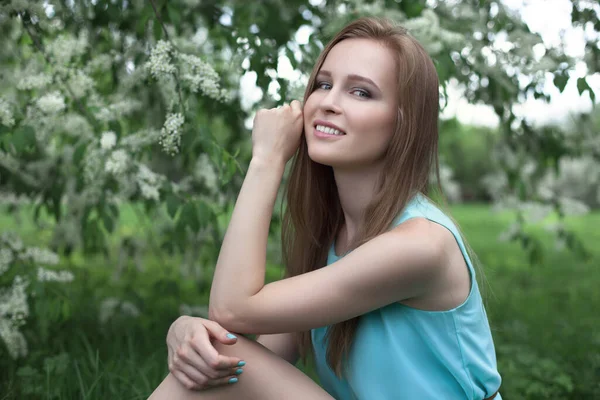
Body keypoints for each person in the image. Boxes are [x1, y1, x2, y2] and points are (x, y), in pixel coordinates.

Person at [148, 16, 502, 400]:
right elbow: (247, 366)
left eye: (361, 92)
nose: (328, 103)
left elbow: (233, 309)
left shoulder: (421, 245)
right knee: (211, 366)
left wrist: (266, 160)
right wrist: (185, 331)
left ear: (403, 123)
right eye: (323, 84)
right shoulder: (329, 240)